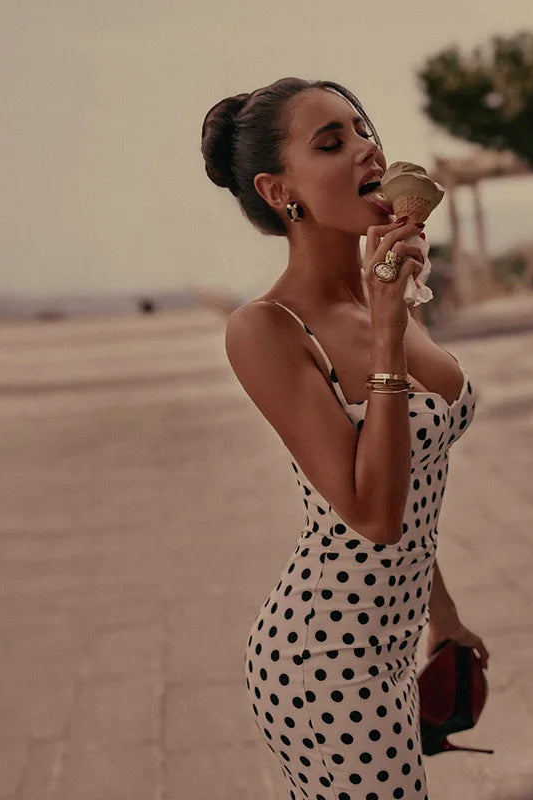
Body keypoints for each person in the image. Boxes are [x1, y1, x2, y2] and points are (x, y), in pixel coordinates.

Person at [201, 77, 489, 800]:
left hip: (389, 647)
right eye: (331, 142)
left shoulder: (386, 293)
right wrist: (390, 331)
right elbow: (372, 513)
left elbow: (411, 479)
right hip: (325, 657)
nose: (367, 149)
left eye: (364, 131)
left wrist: (441, 611)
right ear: (279, 191)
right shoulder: (267, 329)